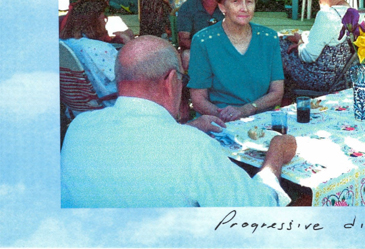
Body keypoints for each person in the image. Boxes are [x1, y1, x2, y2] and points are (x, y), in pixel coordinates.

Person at [61, 36, 296, 207]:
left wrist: (190, 126)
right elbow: (258, 214)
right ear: (171, 80)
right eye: (182, 79)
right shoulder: (193, 148)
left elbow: (136, 143)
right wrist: (275, 156)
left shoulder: (79, 127)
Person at [188, 0, 284, 122]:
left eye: (249, 1)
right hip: (219, 121)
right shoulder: (203, 41)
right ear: (222, 6)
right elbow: (198, 99)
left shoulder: (269, 38)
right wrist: (225, 115)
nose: (244, 8)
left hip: (261, 121)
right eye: (236, 1)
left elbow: (277, 92)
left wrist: (245, 110)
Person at [280, 0, 354, 96]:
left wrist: (300, 42)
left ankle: (274, 97)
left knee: (277, 45)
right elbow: (329, 40)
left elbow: (308, 56)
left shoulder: (327, 15)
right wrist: (303, 38)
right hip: (339, 78)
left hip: (318, 78)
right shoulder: (352, 13)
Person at [60, 0, 122, 103]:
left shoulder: (65, 44)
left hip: (81, 105)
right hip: (109, 103)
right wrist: (131, 44)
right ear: (94, 21)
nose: (105, 21)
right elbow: (132, 77)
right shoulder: (100, 49)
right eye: (104, 17)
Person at [176, 0, 224, 71]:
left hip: (221, 49)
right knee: (186, 56)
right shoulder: (188, 8)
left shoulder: (225, 7)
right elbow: (183, 41)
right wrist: (207, 48)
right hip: (196, 50)